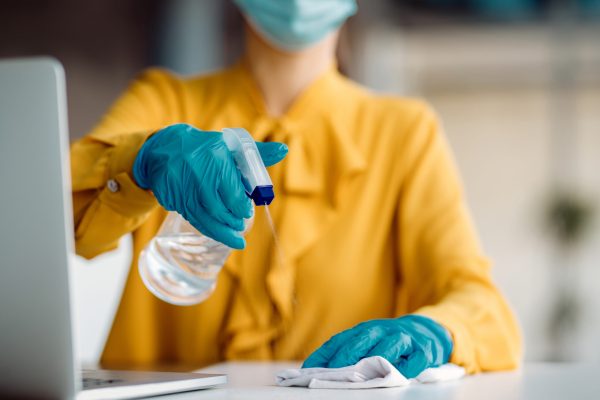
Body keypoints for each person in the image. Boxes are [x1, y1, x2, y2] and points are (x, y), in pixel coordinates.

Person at [70, 0, 521, 375]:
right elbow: (54, 225)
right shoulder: (164, 101)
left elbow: (483, 306)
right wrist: (141, 159)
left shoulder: (404, 133)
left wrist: (435, 332)